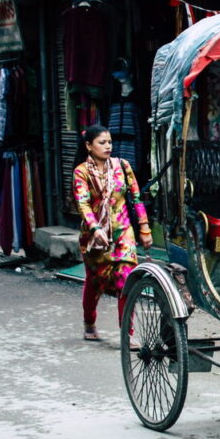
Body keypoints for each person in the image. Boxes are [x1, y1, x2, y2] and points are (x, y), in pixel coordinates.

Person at [73, 125, 152, 342]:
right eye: (102, 142)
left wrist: (144, 228)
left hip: (123, 231)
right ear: (89, 146)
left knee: (126, 280)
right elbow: (83, 204)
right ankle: (89, 320)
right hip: (95, 237)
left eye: (109, 142)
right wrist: (95, 228)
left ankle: (127, 332)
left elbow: (136, 198)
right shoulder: (81, 172)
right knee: (95, 281)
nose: (108, 146)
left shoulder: (122, 165)